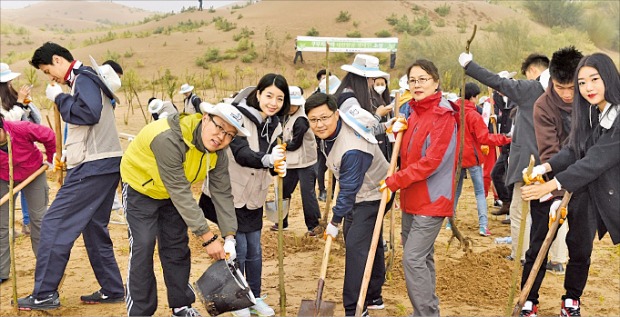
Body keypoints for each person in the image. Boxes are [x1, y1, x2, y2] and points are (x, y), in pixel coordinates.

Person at [17, 42, 125, 310]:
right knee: (93, 227)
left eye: (46, 70)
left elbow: (88, 114)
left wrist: (59, 98)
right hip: (104, 163)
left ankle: (44, 294)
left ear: (57, 59)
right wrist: (69, 154)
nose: (49, 77)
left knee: (54, 224)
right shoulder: (86, 79)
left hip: (93, 167)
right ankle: (112, 289)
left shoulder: (84, 78)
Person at [121, 103, 247, 317]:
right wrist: (208, 238)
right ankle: (140, 311)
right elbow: (180, 191)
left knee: (176, 246)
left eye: (229, 135)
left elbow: (222, 193)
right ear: (205, 118)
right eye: (219, 127)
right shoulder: (168, 138)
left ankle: (181, 305)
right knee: (142, 245)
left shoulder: (218, 152)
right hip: (141, 189)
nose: (221, 137)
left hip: (172, 194)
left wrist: (229, 237)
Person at [521, 52, 619, 317]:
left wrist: (550, 186)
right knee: (539, 243)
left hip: (595, 189)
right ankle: (529, 299)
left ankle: (571, 300)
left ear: (608, 77)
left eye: (594, 80)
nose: (587, 88)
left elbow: (595, 160)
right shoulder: (588, 111)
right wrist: (545, 168)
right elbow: (574, 148)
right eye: (583, 82)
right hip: (571, 182)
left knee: (580, 247)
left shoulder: (616, 116)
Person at [204, 73, 289, 317]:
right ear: (258, 93)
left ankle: (255, 297)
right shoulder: (238, 115)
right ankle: (236, 300)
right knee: (236, 248)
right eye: (269, 95)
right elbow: (241, 152)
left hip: (254, 196)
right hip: (231, 192)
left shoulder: (275, 124)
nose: (273, 102)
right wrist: (267, 159)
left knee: (254, 250)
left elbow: (270, 159)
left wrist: (276, 165)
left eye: (279, 98)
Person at [306, 92, 396, 317]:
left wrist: (334, 221)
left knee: (356, 247)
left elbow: (348, 191)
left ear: (336, 114)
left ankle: (355, 308)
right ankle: (374, 296)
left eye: (324, 118)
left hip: (376, 193)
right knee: (366, 241)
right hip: (359, 194)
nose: (319, 124)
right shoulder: (334, 128)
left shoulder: (352, 150)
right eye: (313, 120)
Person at [459, 51, 553, 263]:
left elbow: (497, 82)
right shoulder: (563, 91)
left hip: (529, 162)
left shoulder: (531, 88)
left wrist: (469, 65)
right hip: (555, 161)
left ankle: (520, 253)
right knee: (554, 211)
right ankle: (556, 259)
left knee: (520, 209)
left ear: (534, 71)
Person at [383, 59, 458, 316]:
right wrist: (395, 132)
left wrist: (396, 180)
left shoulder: (443, 116)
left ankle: (426, 313)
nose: (417, 85)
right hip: (411, 198)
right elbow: (408, 153)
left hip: (433, 199)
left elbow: (431, 162)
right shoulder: (412, 112)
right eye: (412, 80)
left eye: (423, 79)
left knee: (412, 258)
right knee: (423, 258)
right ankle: (425, 310)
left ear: (436, 82)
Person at [449, 82, 511, 236]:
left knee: (455, 191)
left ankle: (449, 222)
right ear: (473, 97)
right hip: (472, 158)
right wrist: (505, 139)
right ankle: (483, 225)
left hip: (456, 157)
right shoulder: (473, 115)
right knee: (479, 192)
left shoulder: (452, 112)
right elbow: (484, 138)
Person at [0, 114, 55, 284]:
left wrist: (51, 159)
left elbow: (49, 136)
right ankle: (1, 272)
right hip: (4, 178)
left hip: (33, 173)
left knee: (38, 220)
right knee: (1, 225)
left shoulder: (21, 129)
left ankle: (46, 268)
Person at [270, 86, 321, 235]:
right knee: (283, 191)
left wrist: (282, 146)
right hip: (291, 163)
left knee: (307, 194)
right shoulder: (285, 116)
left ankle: (314, 226)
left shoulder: (301, 120)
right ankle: (281, 221)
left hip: (306, 162)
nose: (291, 107)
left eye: (294, 104)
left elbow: (295, 143)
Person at [0, 62, 43, 236]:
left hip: (22, 151)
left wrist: (26, 104)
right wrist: (19, 103)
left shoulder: (10, 96)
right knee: (10, 189)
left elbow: (33, 120)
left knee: (27, 186)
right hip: (6, 155)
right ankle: (8, 226)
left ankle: (27, 223)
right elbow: (7, 123)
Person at [336, 54, 393, 161]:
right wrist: (378, 115)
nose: (372, 83)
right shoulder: (350, 101)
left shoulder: (349, 96)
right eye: (371, 79)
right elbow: (363, 131)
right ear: (363, 79)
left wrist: (386, 125)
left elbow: (366, 128)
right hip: (351, 155)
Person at [102, 59, 125, 221]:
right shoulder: (94, 93)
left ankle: (115, 207)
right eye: (116, 76)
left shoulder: (109, 97)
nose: (118, 81)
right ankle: (114, 208)